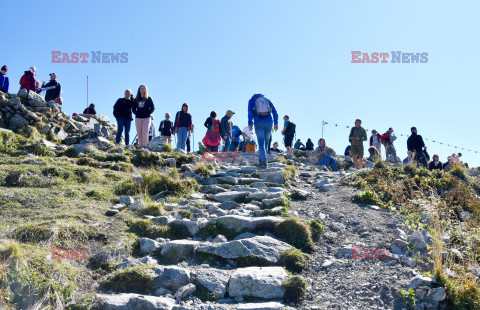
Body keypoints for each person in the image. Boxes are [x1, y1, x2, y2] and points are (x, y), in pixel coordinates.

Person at [248, 93, 279, 168]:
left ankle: (264, 162)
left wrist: (250, 123)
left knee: (261, 143)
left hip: (258, 123)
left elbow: (250, 112)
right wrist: (276, 123)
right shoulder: (267, 100)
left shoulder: (252, 100)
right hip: (269, 122)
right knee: (266, 142)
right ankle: (262, 161)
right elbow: (274, 111)